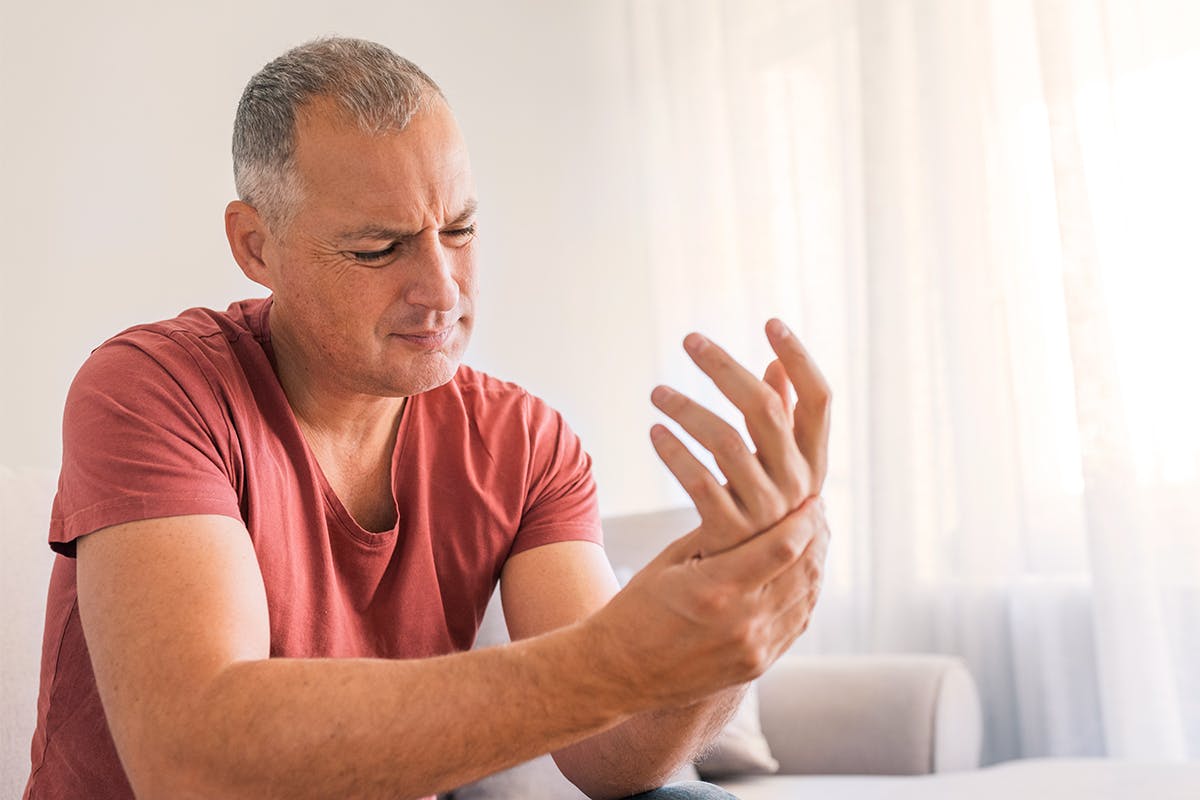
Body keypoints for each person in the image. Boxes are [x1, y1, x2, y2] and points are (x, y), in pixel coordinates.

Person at [24, 37, 831, 800]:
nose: (443, 291)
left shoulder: (526, 443)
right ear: (255, 246)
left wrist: (723, 622)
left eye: (461, 230)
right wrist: (616, 659)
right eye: (379, 249)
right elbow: (190, 759)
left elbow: (611, 760)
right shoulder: (152, 389)